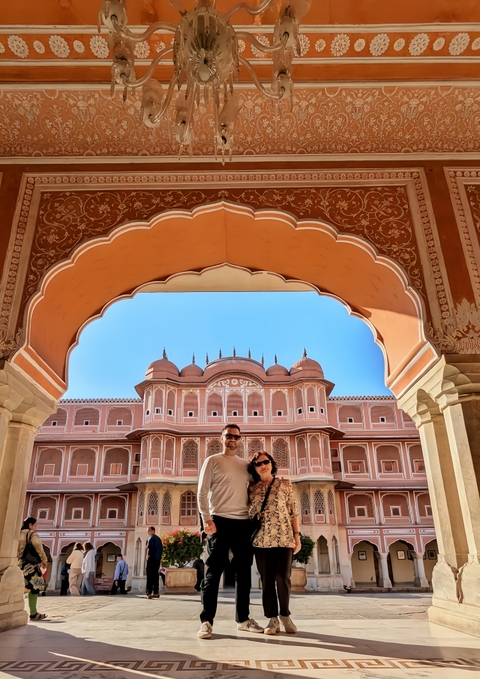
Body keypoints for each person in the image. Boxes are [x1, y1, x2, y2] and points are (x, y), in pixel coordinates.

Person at [197, 423, 262, 639]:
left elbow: (258, 489)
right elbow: (202, 491)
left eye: (236, 436)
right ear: (222, 437)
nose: (232, 439)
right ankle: (206, 621)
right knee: (214, 571)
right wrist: (206, 518)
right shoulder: (213, 460)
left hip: (243, 523)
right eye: (228, 436)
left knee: (244, 572)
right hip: (220, 521)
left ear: (240, 439)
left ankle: (242, 619)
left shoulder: (245, 465)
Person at [248, 450, 301, 635]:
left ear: (271, 463)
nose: (262, 465)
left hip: (284, 538)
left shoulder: (285, 484)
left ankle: (285, 615)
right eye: (258, 464)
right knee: (267, 581)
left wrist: (297, 536)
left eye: (265, 461)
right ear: (254, 468)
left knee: (283, 578)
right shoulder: (251, 488)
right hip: (261, 540)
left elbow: (293, 511)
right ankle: (272, 619)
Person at [17, 517, 48, 621]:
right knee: (36, 587)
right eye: (35, 525)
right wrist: (44, 560)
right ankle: (33, 613)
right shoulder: (32, 534)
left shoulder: (17, 533)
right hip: (31, 565)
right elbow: (39, 548)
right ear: (30, 525)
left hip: (17, 564)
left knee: (18, 586)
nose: (36, 528)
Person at [146, 527, 163, 599]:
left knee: (150, 576)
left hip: (152, 559)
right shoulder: (158, 539)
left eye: (149, 530)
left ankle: (149, 592)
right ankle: (156, 592)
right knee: (155, 576)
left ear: (153, 531)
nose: (148, 532)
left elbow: (151, 549)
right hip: (157, 560)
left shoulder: (152, 539)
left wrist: (148, 556)